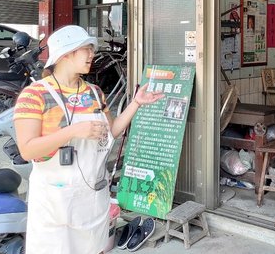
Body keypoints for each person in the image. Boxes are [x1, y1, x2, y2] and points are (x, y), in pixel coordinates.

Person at [14, 25, 163, 254]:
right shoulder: (34, 95)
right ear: (65, 55)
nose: (92, 54)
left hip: (92, 196)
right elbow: (27, 150)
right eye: (86, 49)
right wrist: (72, 131)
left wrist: (136, 103)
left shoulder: (94, 92)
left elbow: (110, 132)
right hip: (55, 200)